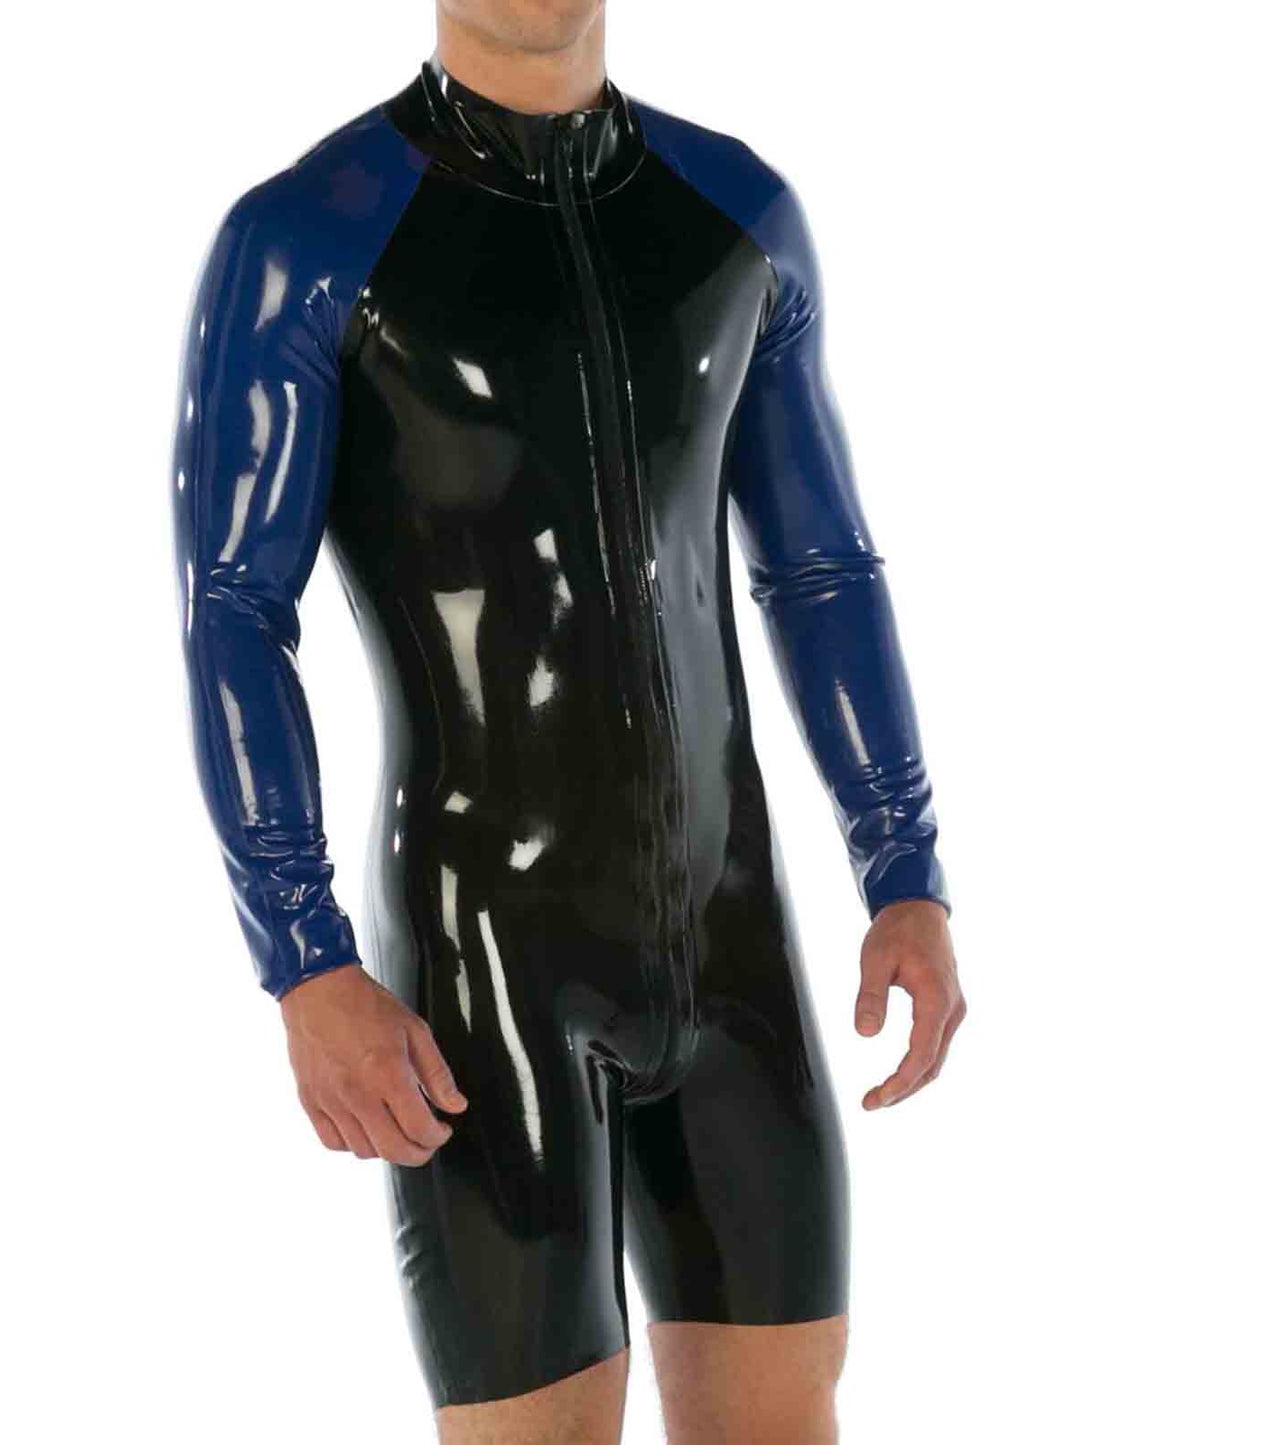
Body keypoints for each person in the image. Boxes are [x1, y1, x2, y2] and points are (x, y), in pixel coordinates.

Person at [170, 1, 966, 1439]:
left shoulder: (737, 214)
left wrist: (902, 868)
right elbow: (235, 608)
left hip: (734, 956)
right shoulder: (306, 239)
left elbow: (820, 567)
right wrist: (303, 958)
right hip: (489, 971)